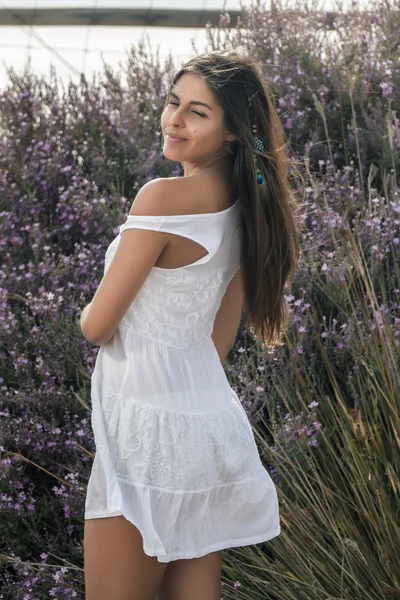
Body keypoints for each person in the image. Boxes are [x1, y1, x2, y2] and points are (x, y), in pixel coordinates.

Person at [81, 49, 300, 600]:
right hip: (204, 434)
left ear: (233, 132)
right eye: (173, 102)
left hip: (145, 438)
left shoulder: (162, 198)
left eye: (198, 112)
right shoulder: (251, 212)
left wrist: (84, 310)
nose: (174, 120)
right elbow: (214, 345)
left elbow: (97, 326)